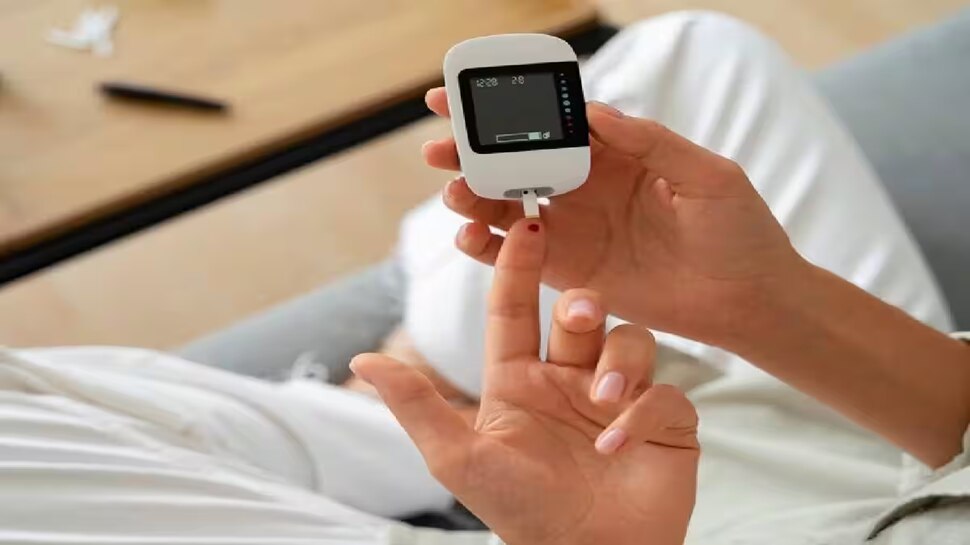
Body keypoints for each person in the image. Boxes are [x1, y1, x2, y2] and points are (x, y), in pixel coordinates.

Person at [0, 11, 967, 545]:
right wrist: (766, 305)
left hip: (659, 522)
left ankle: (402, 421)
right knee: (697, 54)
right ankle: (405, 399)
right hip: (862, 434)